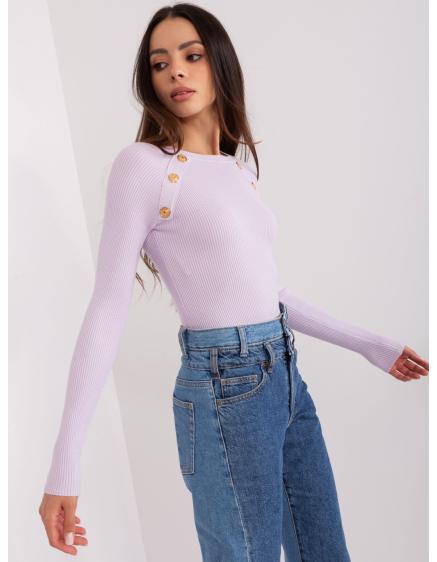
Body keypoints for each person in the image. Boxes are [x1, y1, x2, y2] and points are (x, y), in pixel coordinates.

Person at [38, 4, 429, 560]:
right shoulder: (145, 166)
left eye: (192, 55)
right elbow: (108, 305)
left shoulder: (237, 171)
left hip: (286, 375)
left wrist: (373, 345)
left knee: (326, 551)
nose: (176, 70)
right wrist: (65, 466)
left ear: (219, 62)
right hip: (225, 386)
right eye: (160, 63)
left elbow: (268, 295)